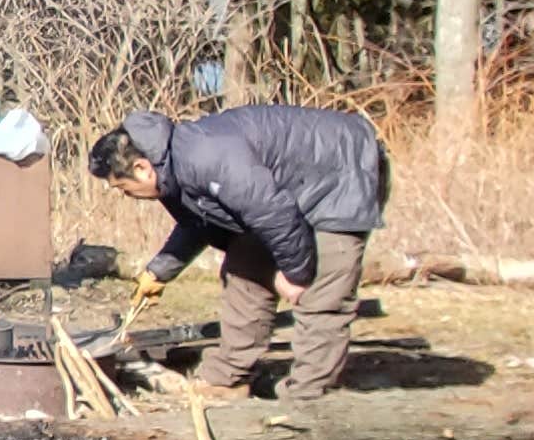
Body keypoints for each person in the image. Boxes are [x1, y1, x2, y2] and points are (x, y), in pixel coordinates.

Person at [86, 99, 389, 402]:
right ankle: (227, 379)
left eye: (123, 188)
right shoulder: (171, 169)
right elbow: (199, 224)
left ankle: (306, 398)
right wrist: (158, 272)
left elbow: (272, 212)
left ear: (141, 169)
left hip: (341, 174)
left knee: (322, 296)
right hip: (284, 195)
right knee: (243, 272)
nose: (127, 196)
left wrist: (296, 274)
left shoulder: (204, 156)